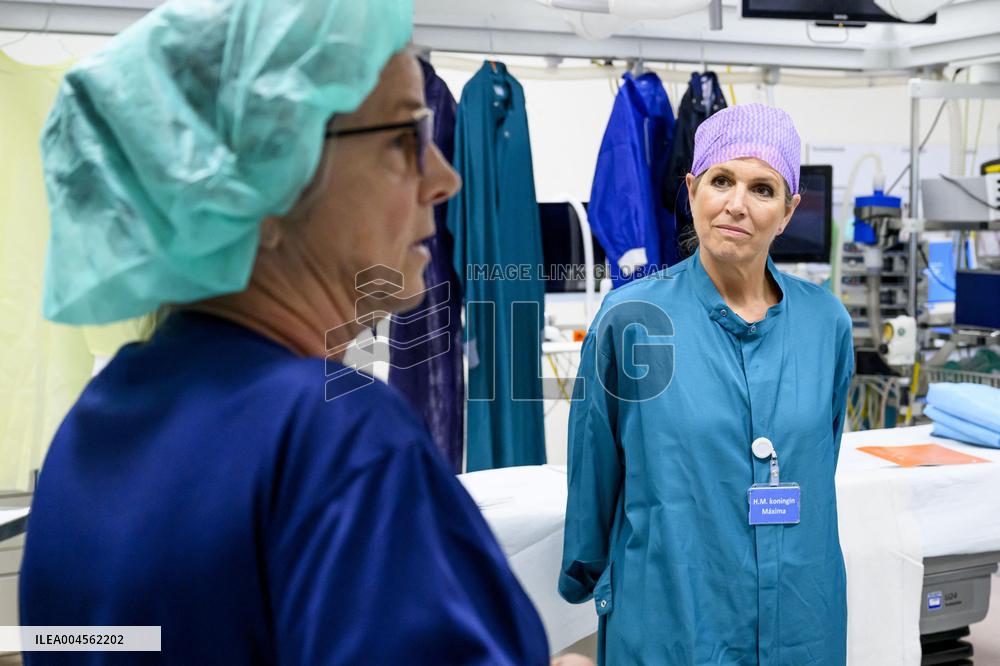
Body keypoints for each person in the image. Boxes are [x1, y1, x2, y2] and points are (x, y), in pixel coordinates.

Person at [19, 1, 592, 664]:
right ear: (266, 178)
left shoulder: (93, 434)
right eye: (406, 139)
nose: (445, 178)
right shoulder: (334, 439)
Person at [559, 103, 854, 665]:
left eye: (762, 189)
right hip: (673, 610)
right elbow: (594, 469)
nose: (736, 205)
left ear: (789, 210)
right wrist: (588, 572)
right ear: (693, 190)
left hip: (800, 611)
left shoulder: (826, 322)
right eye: (722, 181)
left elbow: (818, 460)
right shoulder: (632, 318)